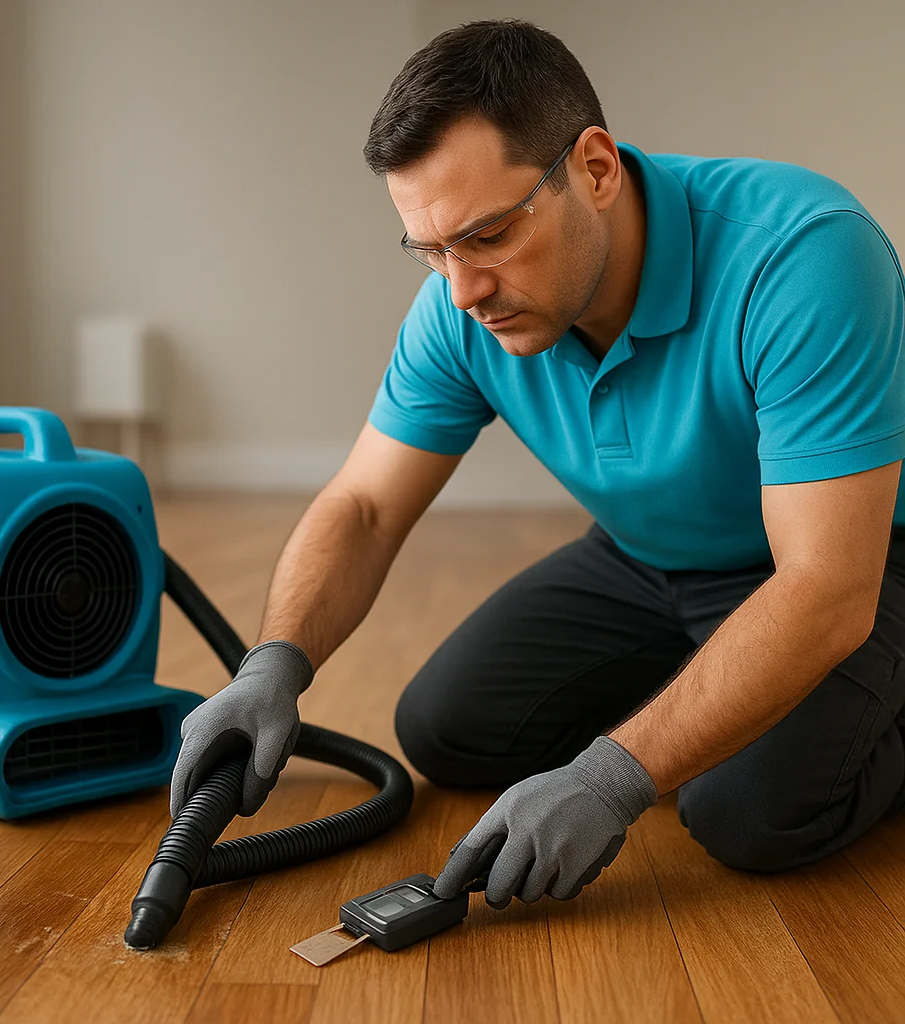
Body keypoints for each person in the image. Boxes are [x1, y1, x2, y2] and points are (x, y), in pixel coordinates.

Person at [170, 20, 905, 910]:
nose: (462, 290)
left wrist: (612, 774)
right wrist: (273, 665)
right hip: (649, 557)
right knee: (447, 731)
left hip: (855, 563)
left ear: (594, 169)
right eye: (432, 251)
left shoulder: (803, 256)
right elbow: (365, 504)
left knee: (745, 813)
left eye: (488, 235)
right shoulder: (460, 307)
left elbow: (826, 586)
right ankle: (713, 686)